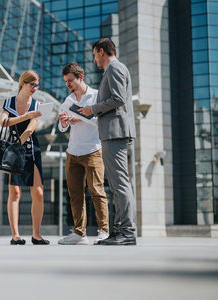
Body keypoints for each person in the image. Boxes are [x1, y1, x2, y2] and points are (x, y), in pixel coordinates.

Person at [78, 38, 137, 245]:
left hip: (115, 133)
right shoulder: (112, 70)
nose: (94, 60)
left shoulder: (114, 68)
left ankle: (127, 232)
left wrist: (93, 109)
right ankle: (119, 230)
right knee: (116, 183)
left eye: (94, 55)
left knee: (120, 183)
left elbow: (119, 98)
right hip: (112, 132)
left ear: (101, 51)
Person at [57, 62, 109, 245]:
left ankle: (104, 231)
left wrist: (78, 118)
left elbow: (100, 122)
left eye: (70, 80)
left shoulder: (96, 96)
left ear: (81, 77)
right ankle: (79, 234)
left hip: (93, 150)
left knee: (97, 191)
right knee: (75, 195)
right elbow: (62, 128)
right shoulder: (68, 100)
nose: (68, 84)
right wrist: (64, 122)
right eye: (66, 81)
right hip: (73, 152)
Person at [0, 70, 49, 245]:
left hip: (30, 148)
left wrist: (17, 145)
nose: (35, 88)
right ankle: (15, 236)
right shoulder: (9, 102)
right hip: (14, 148)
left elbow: (30, 129)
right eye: (32, 84)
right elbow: (3, 122)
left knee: (39, 192)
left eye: (37, 85)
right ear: (23, 84)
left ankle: (36, 235)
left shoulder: (37, 105)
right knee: (15, 192)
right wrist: (24, 116)